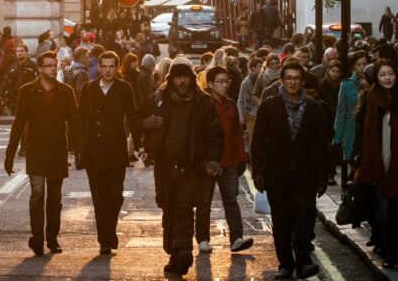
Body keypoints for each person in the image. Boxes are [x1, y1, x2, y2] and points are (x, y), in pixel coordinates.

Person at [141, 56, 222, 276]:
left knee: (184, 209)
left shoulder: (203, 102)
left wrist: (213, 158)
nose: (182, 82)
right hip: (164, 166)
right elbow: (137, 119)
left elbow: (215, 134)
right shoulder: (159, 99)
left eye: (186, 77)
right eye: (178, 78)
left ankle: (183, 250)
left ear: (192, 79)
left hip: (191, 167)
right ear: (171, 79)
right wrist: (145, 124)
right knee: (168, 207)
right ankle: (173, 251)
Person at [251, 60, 330, 279]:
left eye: (297, 78)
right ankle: (285, 264)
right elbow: (258, 141)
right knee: (281, 221)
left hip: (306, 174)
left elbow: (321, 143)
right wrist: (258, 171)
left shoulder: (314, 107)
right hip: (277, 174)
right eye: (289, 78)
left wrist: (323, 174)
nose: (293, 82)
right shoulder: (269, 105)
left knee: (304, 217)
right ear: (282, 80)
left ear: (302, 81)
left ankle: (303, 262)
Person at [4, 50, 83, 256]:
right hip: (36, 150)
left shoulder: (66, 91)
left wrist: (80, 151)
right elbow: (19, 123)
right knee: (37, 194)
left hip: (57, 149)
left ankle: (52, 237)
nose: (51, 69)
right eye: (47, 65)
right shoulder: (27, 91)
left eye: (54, 65)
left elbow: (75, 123)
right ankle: (37, 236)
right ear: (39, 68)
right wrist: (10, 154)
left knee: (54, 199)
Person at [353, 59, 398, 267]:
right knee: (383, 210)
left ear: (396, 76)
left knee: (397, 210)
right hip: (377, 164)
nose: (387, 78)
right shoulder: (370, 99)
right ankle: (388, 252)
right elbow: (361, 132)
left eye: (390, 74)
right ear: (377, 78)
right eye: (383, 75)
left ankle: (392, 246)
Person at [76, 50, 141, 254]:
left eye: (111, 66)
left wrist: (140, 145)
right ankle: (105, 239)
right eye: (104, 66)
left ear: (117, 67)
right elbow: (80, 119)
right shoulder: (88, 89)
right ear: (99, 67)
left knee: (115, 195)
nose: (107, 70)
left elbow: (132, 117)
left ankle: (110, 230)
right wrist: (79, 148)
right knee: (99, 197)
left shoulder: (124, 88)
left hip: (116, 150)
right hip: (94, 151)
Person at [199, 65, 254, 254]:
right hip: (207, 163)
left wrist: (241, 157)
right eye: (220, 82)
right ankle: (203, 239)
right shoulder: (203, 105)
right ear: (210, 84)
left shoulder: (230, 105)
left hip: (229, 161)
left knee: (231, 200)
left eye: (227, 81)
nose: (225, 85)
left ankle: (236, 238)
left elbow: (237, 133)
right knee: (204, 203)